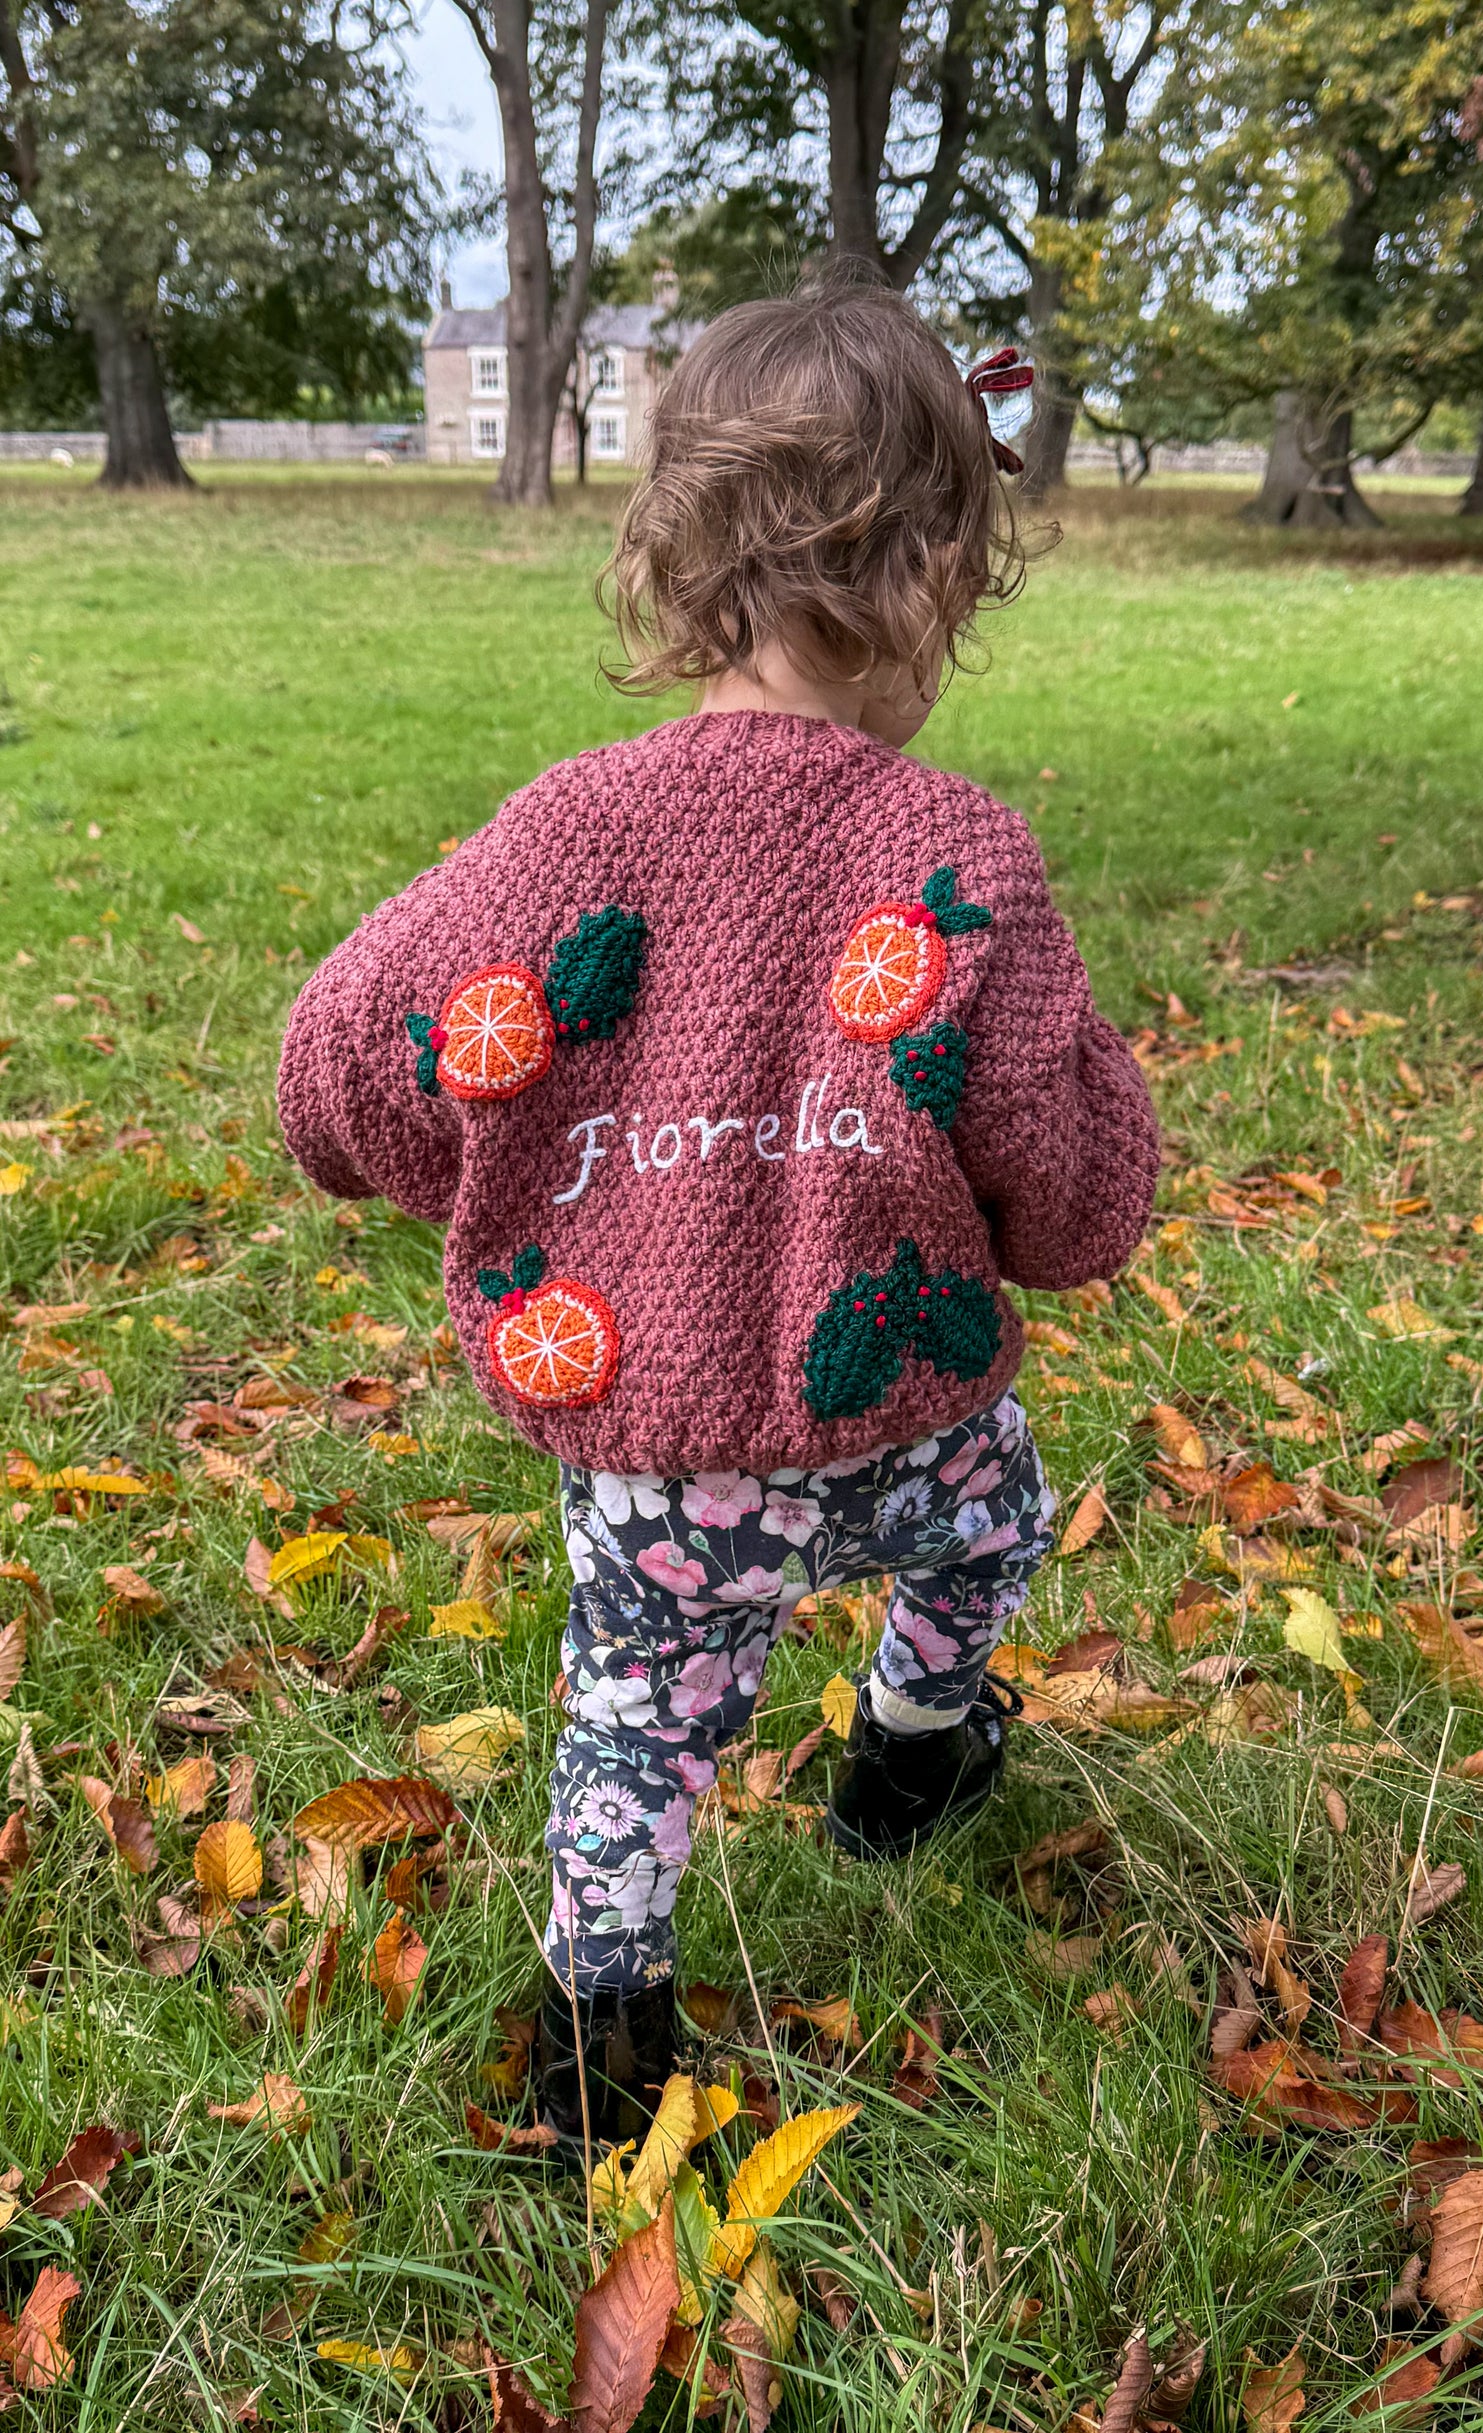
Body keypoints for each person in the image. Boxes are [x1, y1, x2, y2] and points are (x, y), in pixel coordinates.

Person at [275, 275, 1160, 2156]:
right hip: (910, 1423)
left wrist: (509, 1173)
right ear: (933, 570)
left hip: (662, 1470)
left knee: (635, 1728)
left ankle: (602, 2038)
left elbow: (343, 1063)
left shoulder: (563, 831)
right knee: (993, 1529)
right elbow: (1068, 1194)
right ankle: (912, 1756)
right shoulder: (961, 856)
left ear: (675, 551)